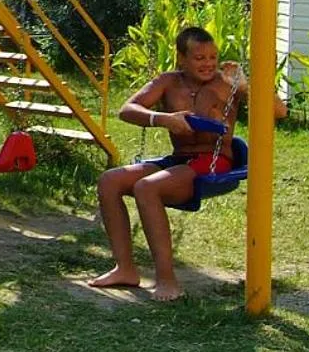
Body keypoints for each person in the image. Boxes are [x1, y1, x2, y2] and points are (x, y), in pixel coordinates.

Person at [87, 26, 287, 302]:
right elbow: (127, 110)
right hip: (180, 160)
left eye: (212, 57)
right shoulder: (169, 82)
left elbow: (279, 111)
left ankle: (167, 281)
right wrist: (163, 119)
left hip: (214, 163)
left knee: (147, 187)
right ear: (181, 58)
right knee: (109, 181)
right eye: (199, 58)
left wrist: (244, 84)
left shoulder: (226, 83)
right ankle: (125, 269)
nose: (208, 64)